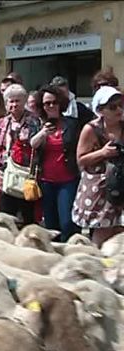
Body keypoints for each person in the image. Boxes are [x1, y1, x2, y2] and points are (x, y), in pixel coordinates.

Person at [72, 86, 124, 245]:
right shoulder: (91, 129)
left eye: (121, 104)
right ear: (100, 110)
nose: (119, 109)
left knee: (119, 232)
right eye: (113, 107)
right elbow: (80, 159)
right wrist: (103, 153)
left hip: (120, 185)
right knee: (103, 233)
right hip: (100, 188)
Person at [30, 85, 81, 242]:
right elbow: (32, 143)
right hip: (46, 182)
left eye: (54, 102)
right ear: (41, 106)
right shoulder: (37, 124)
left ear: (60, 104)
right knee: (51, 226)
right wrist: (44, 132)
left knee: (67, 223)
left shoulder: (72, 124)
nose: (51, 106)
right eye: (47, 103)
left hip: (68, 180)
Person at [0, 84, 40, 225]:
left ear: (24, 102)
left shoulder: (34, 122)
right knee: (6, 219)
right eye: (11, 101)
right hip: (5, 178)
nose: (14, 104)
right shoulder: (1, 123)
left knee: (28, 219)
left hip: (25, 178)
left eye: (18, 100)